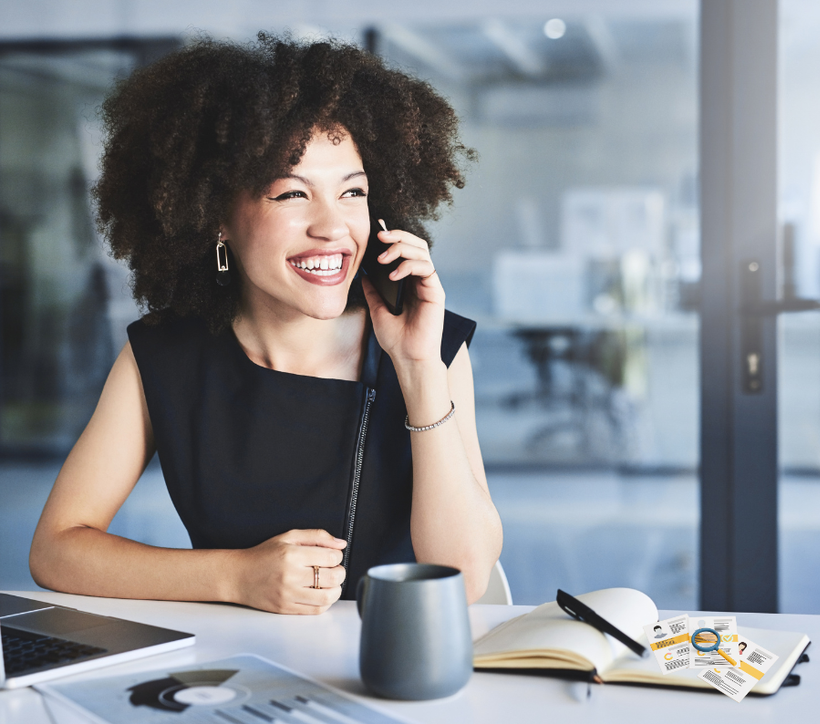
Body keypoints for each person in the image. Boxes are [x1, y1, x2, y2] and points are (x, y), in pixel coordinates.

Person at [29, 36, 503, 615]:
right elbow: (56, 549)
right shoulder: (165, 355)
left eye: (352, 191)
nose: (333, 227)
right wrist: (234, 576)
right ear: (217, 218)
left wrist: (418, 369)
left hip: (394, 666)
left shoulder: (431, 344)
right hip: (232, 671)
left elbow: (465, 579)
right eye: (291, 194)